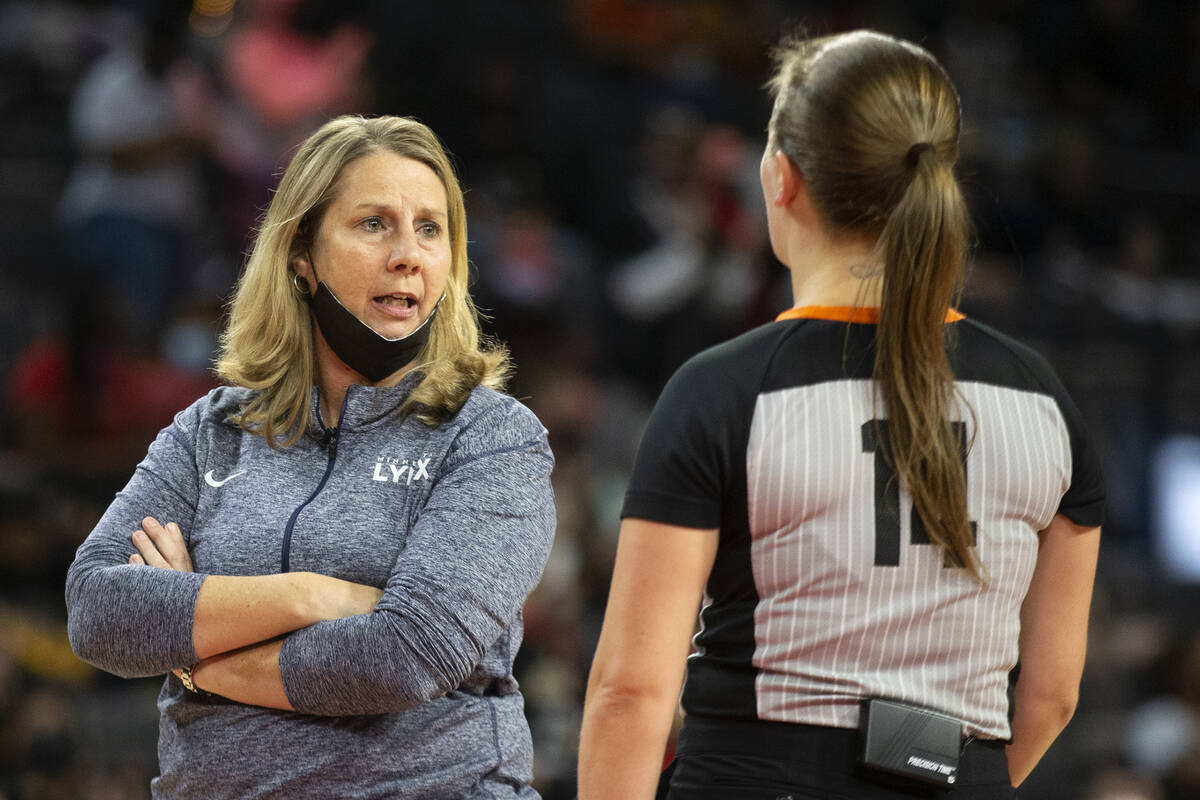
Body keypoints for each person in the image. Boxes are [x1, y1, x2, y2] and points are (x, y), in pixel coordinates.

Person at [578, 29, 1103, 800]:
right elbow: (1052, 695)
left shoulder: (724, 392)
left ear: (782, 177)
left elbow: (631, 694)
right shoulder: (1043, 400)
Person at [65, 115, 557, 799]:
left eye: (430, 228)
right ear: (302, 255)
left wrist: (195, 657)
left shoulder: (492, 438)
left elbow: (404, 656)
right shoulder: (212, 431)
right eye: (374, 224)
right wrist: (311, 596)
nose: (408, 254)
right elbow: (96, 611)